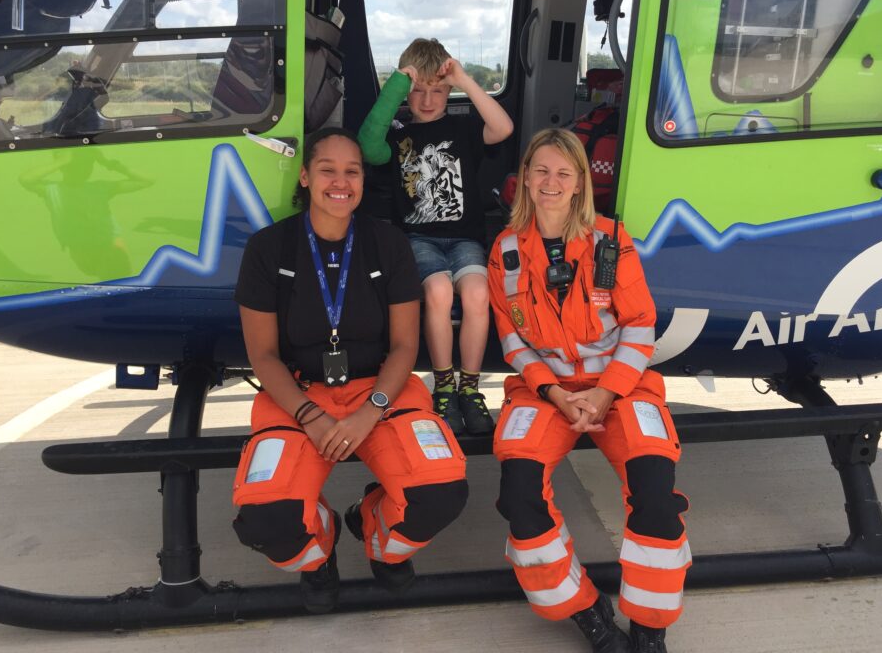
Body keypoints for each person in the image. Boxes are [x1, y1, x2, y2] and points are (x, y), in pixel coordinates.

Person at [231, 128, 469, 612]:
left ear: (363, 180)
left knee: (440, 494)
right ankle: (320, 550)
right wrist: (308, 415)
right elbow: (264, 356)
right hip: (298, 394)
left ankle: (376, 530)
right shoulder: (268, 248)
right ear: (305, 176)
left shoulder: (387, 242)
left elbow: (405, 345)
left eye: (352, 172)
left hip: (383, 388)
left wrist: (372, 410)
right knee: (267, 523)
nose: (341, 182)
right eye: (328, 170)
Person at [487, 129, 690, 653]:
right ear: (525, 179)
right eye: (541, 171)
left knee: (654, 493)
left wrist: (605, 393)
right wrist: (556, 394)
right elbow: (513, 340)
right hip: (545, 391)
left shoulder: (611, 241)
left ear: (580, 183)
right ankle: (585, 610)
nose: (551, 182)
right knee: (519, 496)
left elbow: (641, 325)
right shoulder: (505, 251)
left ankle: (649, 627)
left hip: (619, 387)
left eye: (563, 173)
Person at [358, 38, 513, 435]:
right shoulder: (396, 137)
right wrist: (396, 86)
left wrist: (463, 77)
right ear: (406, 93)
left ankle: (470, 388)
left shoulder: (462, 129)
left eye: (438, 90)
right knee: (439, 292)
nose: (427, 100)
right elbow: (367, 145)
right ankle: (444, 384)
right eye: (418, 91)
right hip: (419, 240)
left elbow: (503, 127)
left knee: (479, 294)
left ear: (450, 91)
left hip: (465, 240)